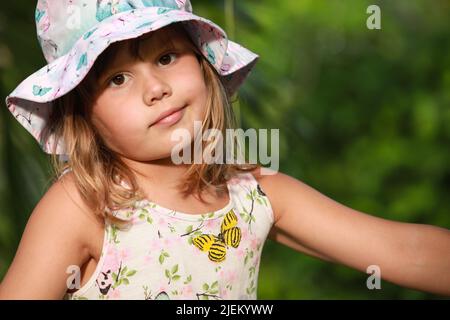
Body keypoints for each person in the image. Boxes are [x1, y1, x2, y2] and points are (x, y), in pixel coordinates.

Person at [0, 0, 449, 300]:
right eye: (117, 78)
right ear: (83, 115)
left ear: (203, 63)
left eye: (166, 57)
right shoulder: (83, 207)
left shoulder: (253, 194)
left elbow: (401, 249)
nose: (155, 88)